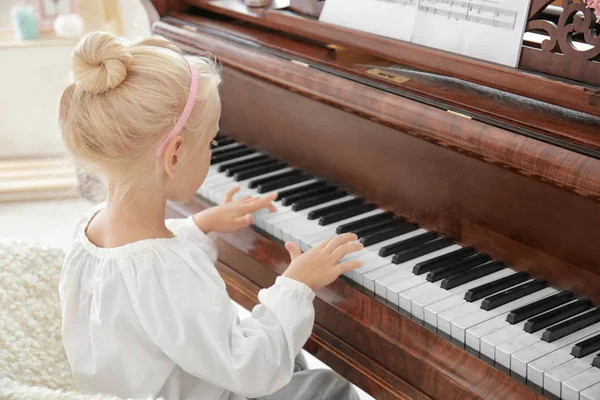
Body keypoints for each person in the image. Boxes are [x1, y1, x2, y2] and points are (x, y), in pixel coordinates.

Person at [57, 31, 364, 400]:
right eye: (211, 142)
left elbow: (143, 279)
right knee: (327, 385)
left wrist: (200, 225)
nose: (212, 152)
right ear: (174, 156)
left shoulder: (88, 230)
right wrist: (295, 285)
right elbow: (251, 368)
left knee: (289, 353)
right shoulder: (170, 273)